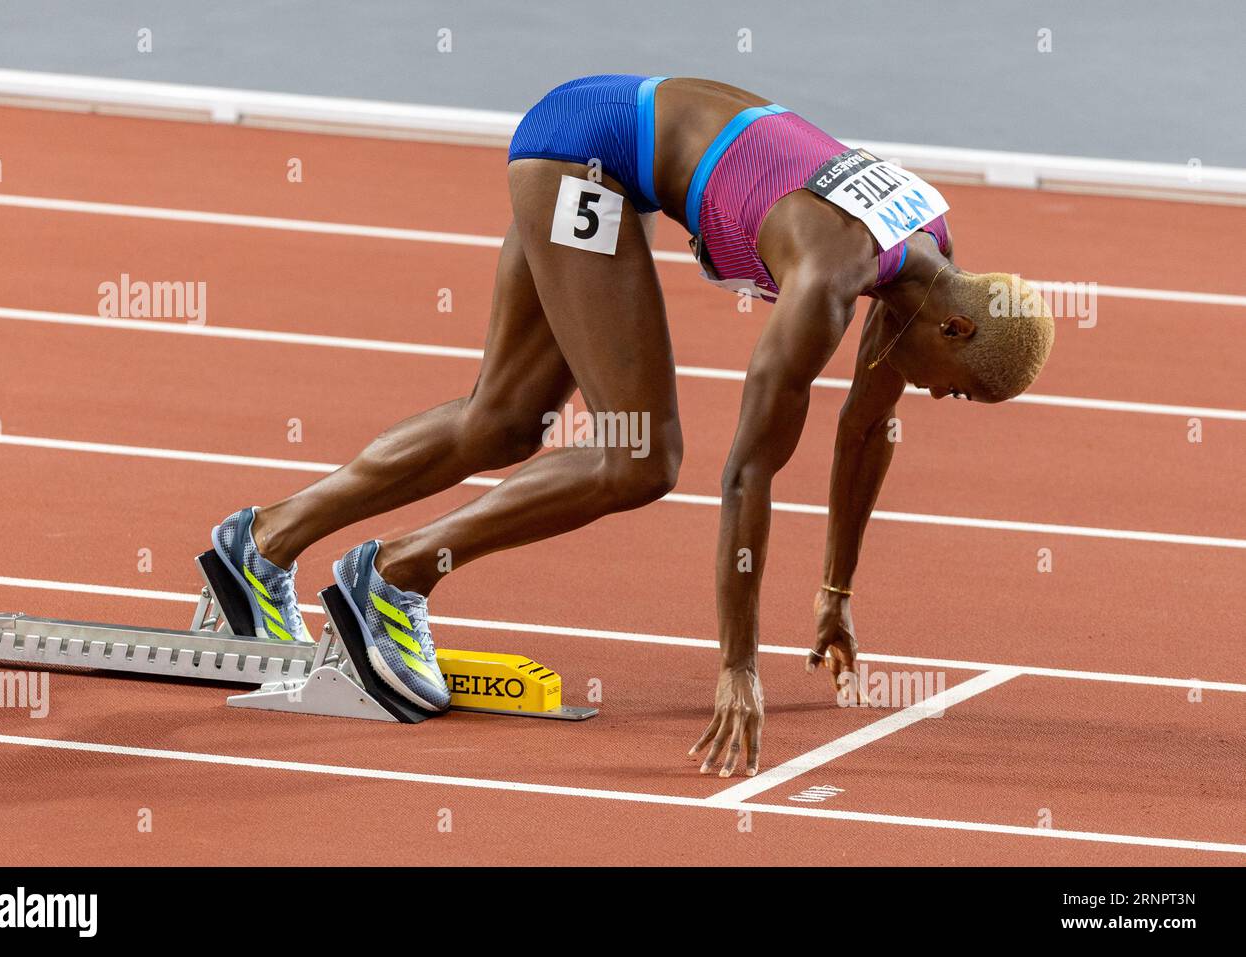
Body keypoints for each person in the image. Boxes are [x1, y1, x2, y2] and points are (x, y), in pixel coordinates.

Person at [208, 75, 1054, 763]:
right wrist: (738, 666)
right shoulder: (829, 282)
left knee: (503, 422)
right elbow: (747, 473)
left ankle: (262, 544)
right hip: (588, 157)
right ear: (959, 328)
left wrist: (835, 592)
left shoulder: (923, 253)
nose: (941, 398)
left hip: (604, 140)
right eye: (960, 390)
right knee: (640, 454)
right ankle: (393, 576)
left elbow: (866, 429)